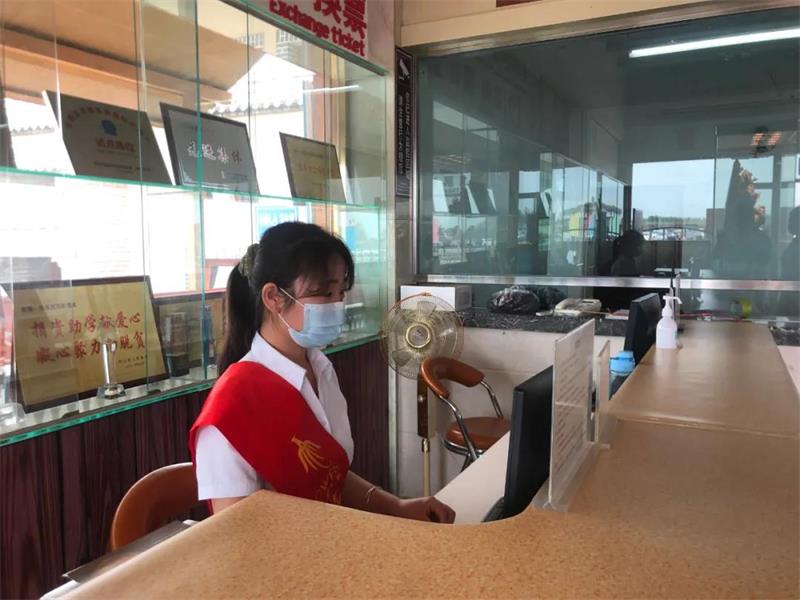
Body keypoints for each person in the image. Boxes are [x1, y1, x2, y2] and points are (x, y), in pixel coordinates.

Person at [189, 222, 455, 523]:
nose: (337, 305)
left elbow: (329, 473)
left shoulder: (320, 368)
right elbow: (236, 533)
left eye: (340, 292)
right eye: (323, 292)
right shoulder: (232, 408)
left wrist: (396, 506)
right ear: (273, 297)